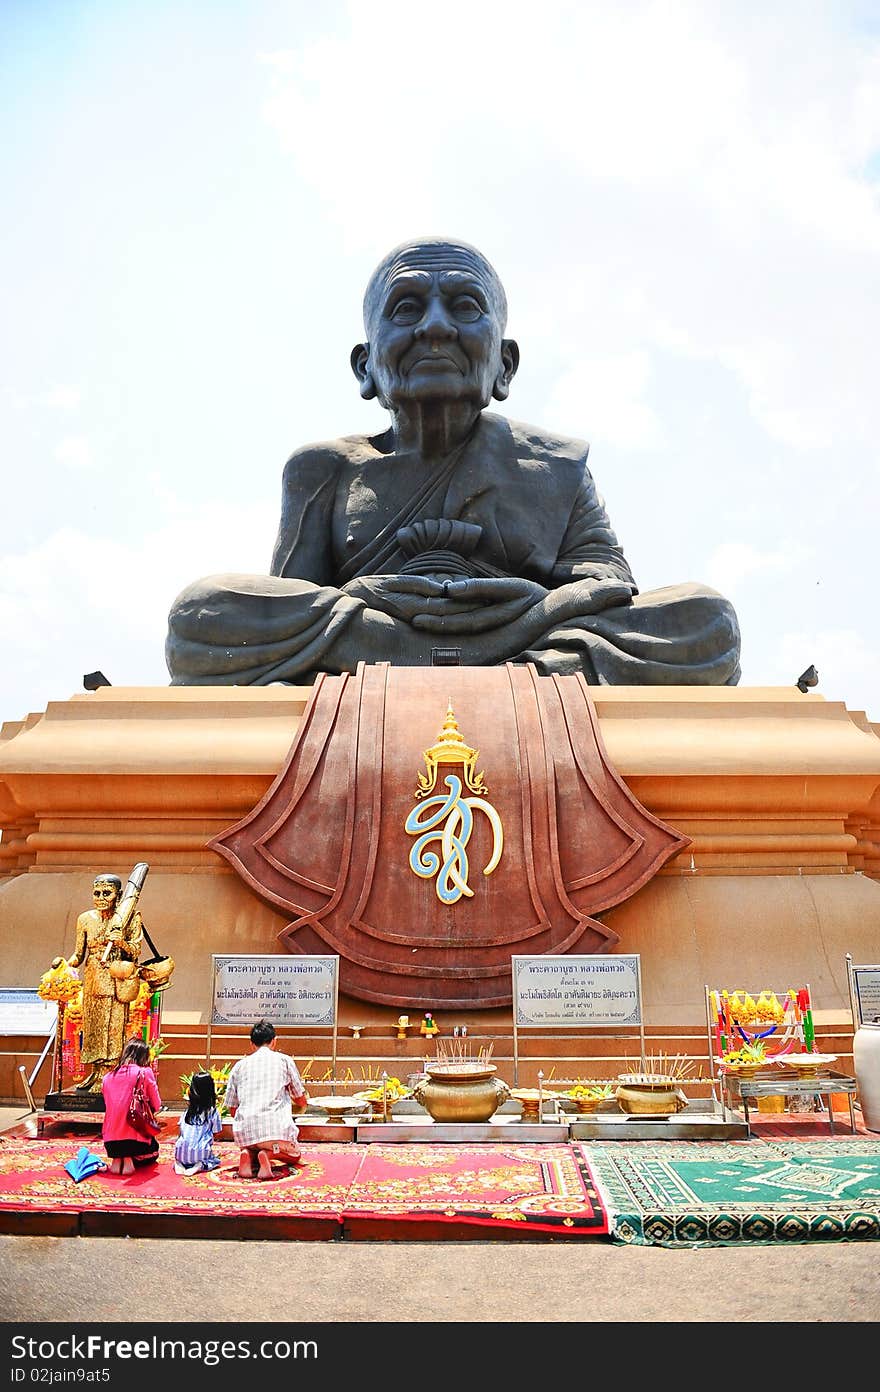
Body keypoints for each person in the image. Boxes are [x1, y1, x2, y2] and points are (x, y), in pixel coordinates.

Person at [166, 236, 740, 687]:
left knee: (706, 621)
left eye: (464, 306)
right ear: (365, 367)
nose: (435, 326)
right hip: (465, 645)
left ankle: (445, 664)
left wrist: (529, 608)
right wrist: (376, 600)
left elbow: (608, 585)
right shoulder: (324, 469)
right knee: (204, 613)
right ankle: (495, 673)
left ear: (505, 365)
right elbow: (290, 615)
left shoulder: (556, 464)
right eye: (407, 308)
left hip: (509, 632)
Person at [53, 873, 143, 1091]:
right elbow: (78, 954)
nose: (101, 897)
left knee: (112, 1026)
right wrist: (63, 966)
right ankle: (95, 1071)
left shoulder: (129, 918)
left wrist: (120, 941)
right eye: (96, 893)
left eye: (107, 893)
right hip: (93, 977)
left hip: (116, 978)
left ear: (118, 895)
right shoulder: (85, 919)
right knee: (93, 1027)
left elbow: (136, 951)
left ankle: (109, 1073)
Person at [224, 1019, 309, 1181]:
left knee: (255, 1143)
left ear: (252, 1044)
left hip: (245, 1134)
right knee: (295, 1155)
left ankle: (249, 1155)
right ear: (274, 1041)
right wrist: (302, 1106)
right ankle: (268, 1155)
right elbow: (299, 1098)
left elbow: (232, 1108)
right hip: (275, 1132)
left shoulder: (239, 1066)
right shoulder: (284, 1061)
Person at [101, 1036, 162, 1175]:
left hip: (111, 1141)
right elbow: (157, 1104)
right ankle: (128, 1159)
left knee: (119, 1130)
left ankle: (119, 1159)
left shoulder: (107, 1077)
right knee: (153, 1152)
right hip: (136, 1141)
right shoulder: (144, 1073)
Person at [174, 1071, 223, 1176]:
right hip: (200, 1152)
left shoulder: (187, 1112)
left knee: (184, 1150)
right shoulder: (212, 1111)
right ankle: (200, 1164)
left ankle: (179, 1163)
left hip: (180, 1152)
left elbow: (180, 1131)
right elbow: (217, 1132)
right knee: (215, 1160)